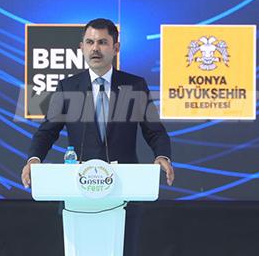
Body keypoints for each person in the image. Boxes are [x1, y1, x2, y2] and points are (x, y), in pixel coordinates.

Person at [21, 18, 174, 187]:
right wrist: (34, 159)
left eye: (102, 42)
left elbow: (155, 131)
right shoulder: (68, 87)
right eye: (90, 42)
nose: (95, 48)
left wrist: (162, 156)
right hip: (80, 185)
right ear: (82, 48)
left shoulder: (135, 85)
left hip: (125, 184)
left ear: (116, 48)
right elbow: (47, 132)